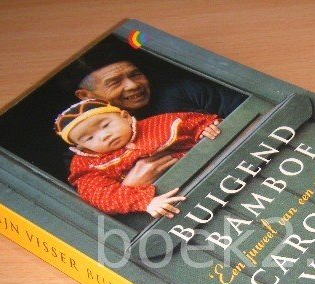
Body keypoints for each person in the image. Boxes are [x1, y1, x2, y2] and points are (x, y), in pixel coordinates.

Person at [60, 39, 245, 187]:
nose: (133, 85)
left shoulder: (183, 92)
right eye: (115, 82)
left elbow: (246, 113)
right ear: (86, 96)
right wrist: (129, 186)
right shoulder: (85, 152)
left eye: (135, 75)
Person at [54, 99, 221, 218]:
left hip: (210, 166)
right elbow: (102, 196)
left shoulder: (154, 125)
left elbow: (190, 121)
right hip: (178, 197)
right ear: (80, 148)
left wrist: (205, 128)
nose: (104, 136)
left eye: (105, 125)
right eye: (89, 138)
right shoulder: (87, 166)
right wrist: (145, 202)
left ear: (125, 117)